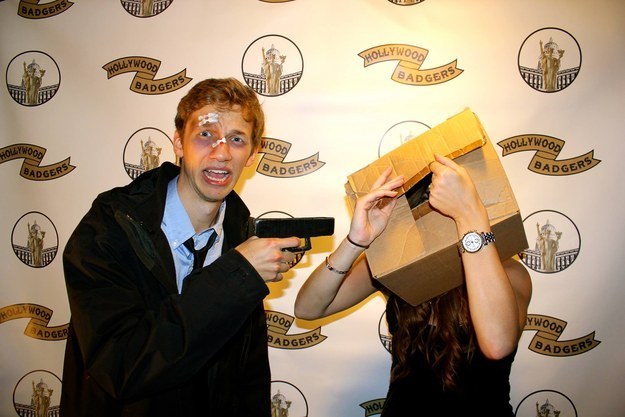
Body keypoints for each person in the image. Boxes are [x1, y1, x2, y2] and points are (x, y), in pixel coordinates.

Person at [60, 78, 300, 416]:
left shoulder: (244, 240)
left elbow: (248, 378)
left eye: (236, 139)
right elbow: (120, 366)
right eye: (205, 135)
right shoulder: (110, 226)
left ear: (252, 155)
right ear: (178, 143)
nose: (221, 153)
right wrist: (235, 278)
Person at [295, 155, 532, 416]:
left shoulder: (508, 270)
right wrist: (356, 242)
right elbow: (308, 308)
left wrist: (469, 215)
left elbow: (497, 345)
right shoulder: (398, 265)